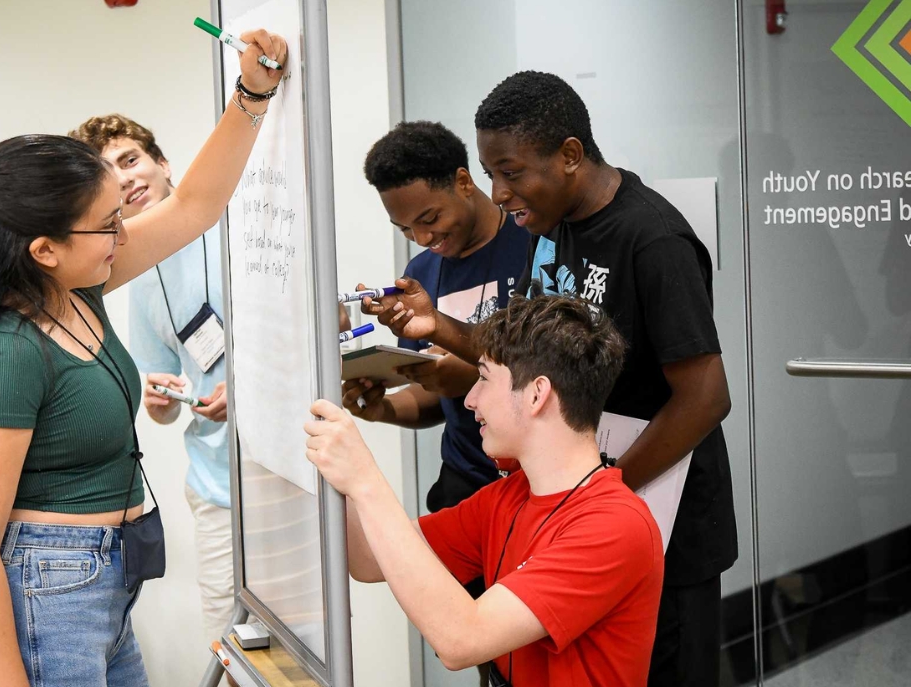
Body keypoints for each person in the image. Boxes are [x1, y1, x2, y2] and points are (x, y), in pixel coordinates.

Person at [0, 31, 287, 687]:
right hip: (46, 590)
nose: (122, 233)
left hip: (99, 585)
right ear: (44, 248)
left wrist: (251, 95)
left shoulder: (80, 285)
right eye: (106, 224)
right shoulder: (10, 351)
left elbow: (192, 205)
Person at [366, 71, 737, 687]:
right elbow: (526, 351)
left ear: (569, 156)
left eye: (511, 173)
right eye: (491, 175)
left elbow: (705, 396)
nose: (499, 192)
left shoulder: (653, 239)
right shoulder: (553, 230)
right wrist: (440, 326)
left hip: (663, 520)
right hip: (591, 509)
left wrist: (606, 490)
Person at [306, 294, 664, 686]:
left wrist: (364, 479)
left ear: (536, 394)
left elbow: (461, 641)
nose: (471, 399)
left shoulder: (614, 527)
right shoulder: (508, 496)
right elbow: (368, 559)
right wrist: (329, 447)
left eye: (483, 378)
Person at [69, 113, 236, 649]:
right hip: (216, 485)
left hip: (289, 472)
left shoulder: (237, 229)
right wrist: (162, 401)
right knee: (229, 650)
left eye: (130, 160)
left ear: (163, 164)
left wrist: (249, 389)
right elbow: (158, 395)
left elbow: (302, 341)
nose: (124, 179)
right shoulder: (133, 273)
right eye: (107, 174)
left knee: (310, 650)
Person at [346, 121, 530, 514]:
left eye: (429, 219)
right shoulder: (421, 274)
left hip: (538, 487)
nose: (423, 239)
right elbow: (433, 394)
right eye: (405, 229)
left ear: (463, 181)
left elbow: (563, 366)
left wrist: (473, 373)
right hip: (465, 489)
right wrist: (384, 410)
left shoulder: (534, 243)